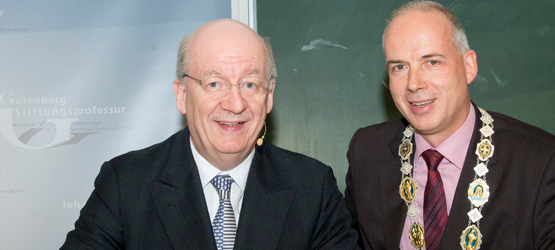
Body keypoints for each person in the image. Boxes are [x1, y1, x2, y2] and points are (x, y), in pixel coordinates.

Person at [61, 19, 358, 250]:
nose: (235, 103)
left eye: (250, 84)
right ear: (182, 95)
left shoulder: (312, 188)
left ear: (269, 97)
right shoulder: (126, 184)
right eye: (214, 83)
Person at [344, 1, 555, 250]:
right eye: (399, 67)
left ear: (468, 66)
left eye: (432, 62)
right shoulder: (367, 153)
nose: (414, 83)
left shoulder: (542, 164)